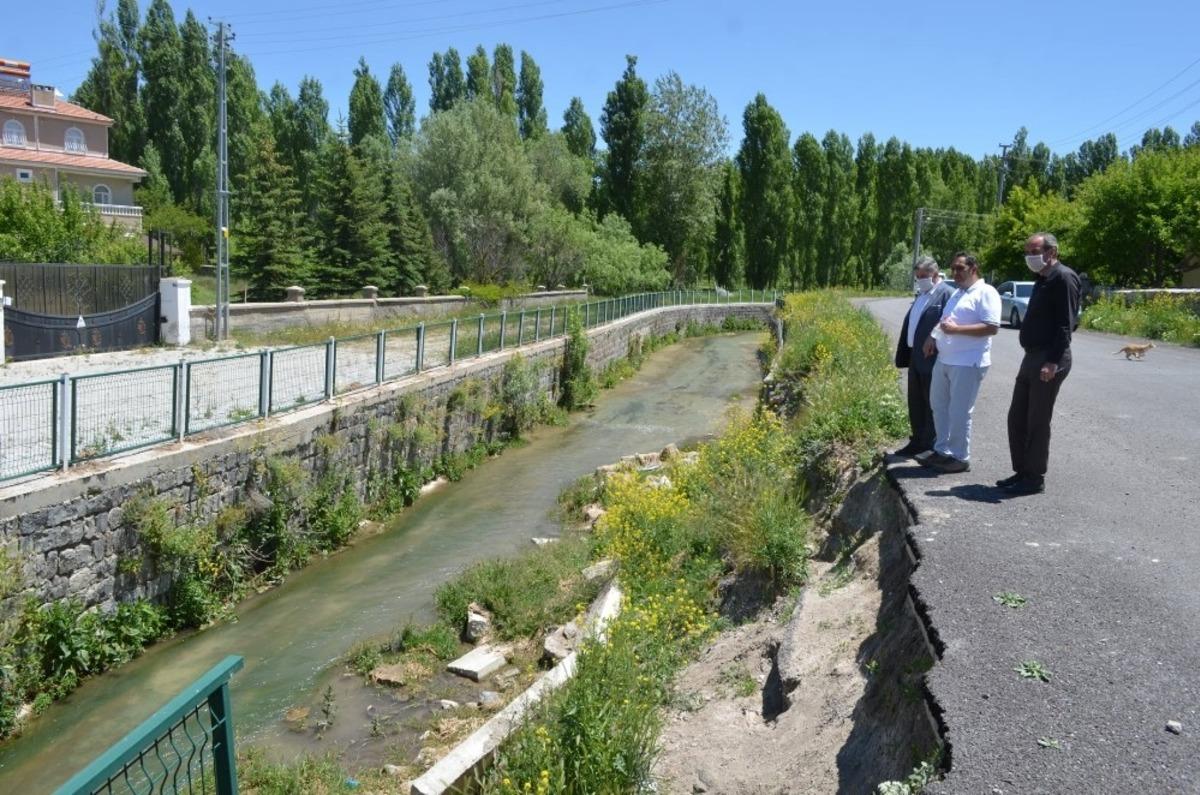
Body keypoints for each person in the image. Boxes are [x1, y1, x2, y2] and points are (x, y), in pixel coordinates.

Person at [998, 232, 1081, 495]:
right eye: (1028, 251)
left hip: (1049, 358)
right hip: (1032, 356)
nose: (1030, 256)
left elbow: (1065, 325)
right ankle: (1021, 471)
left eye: (1034, 251)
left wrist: (1052, 362)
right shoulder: (1042, 278)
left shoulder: (1063, 278)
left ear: (1051, 252)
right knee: (1017, 416)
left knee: (1037, 419)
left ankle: (1034, 478)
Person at [917, 252, 1001, 473]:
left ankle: (960, 457)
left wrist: (957, 330)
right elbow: (945, 321)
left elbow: (992, 327)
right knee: (939, 405)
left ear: (974, 269)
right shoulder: (958, 294)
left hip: (967, 362)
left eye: (960, 268)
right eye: (953, 269)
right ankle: (942, 450)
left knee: (960, 410)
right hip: (945, 359)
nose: (955, 273)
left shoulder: (986, 292)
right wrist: (932, 337)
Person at [892, 256, 953, 457]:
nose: (920, 279)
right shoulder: (922, 294)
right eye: (917, 276)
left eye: (923, 276)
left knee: (931, 403)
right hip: (915, 357)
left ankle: (929, 444)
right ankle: (917, 440)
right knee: (916, 402)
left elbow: (948, 324)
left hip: (933, 358)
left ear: (935, 274)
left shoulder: (946, 295)